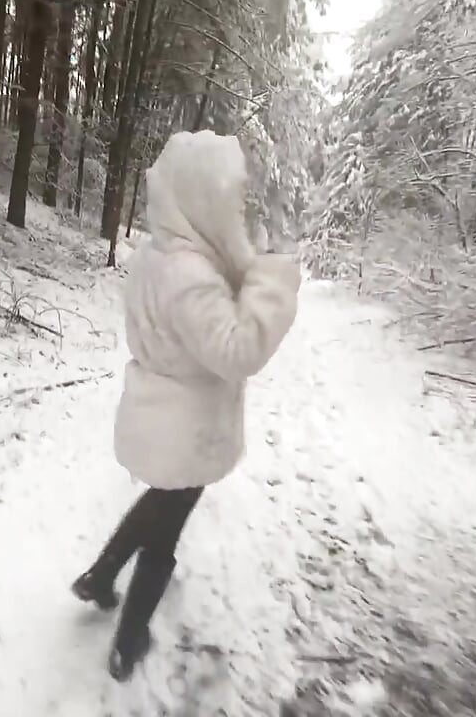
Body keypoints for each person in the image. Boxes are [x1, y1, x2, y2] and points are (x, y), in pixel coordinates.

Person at [70, 130, 303, 681]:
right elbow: (237, 350)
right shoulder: (191, 276)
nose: (237, 209)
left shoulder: (160, 255)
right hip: (187, 425)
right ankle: (130, 640)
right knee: (166, 530)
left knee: (162, 502)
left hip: (163, 414)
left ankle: (101, 575)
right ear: (201, 196)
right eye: (231, 198)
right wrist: (271, 279)